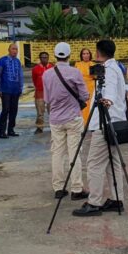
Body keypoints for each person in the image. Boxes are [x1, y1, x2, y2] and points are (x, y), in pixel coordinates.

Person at [72, 40, 128, 216]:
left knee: (94, 164)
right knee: (114, 162)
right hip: (115, 121)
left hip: (105, 123)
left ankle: (94, 202)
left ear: (98, 53)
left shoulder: (109, 70)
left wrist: (107, 100)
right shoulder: (115, 67)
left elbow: (109, 92)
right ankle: (117, 199)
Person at [42, 42, 89, 200]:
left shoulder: (47, 74)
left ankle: (59, 188)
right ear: (69, 55)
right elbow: (84, 96)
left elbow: (47, 99)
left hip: (55, 119)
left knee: (57, 153)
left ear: (55, 55)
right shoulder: (75, 72)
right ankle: (76, 188)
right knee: (74, 153)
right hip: (73, 117)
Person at [0, 43, 23, 138]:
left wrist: (21, 87)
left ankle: (11, 130)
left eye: (16, 49)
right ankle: (2, 132)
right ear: (9, 49)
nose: (15, 51)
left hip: (16, 90)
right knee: (5, 110)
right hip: (5, 89)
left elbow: (20, 75)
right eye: (13, 49)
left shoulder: (18, 62)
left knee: (14, 110)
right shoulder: (2, 60)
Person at [31, 51, 53, 134]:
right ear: (40, 58)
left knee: (52, 111)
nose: (44, 59)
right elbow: (34, 80)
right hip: (40, 92)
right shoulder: (35, 69)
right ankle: (39, 128)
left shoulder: (52, 67)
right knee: (40, 112)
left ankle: (54, 127)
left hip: (51, 93)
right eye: (43, 57)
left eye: (46, 57)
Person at [76, 48, 95, 128]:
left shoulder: (93, 64)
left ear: (90, 55)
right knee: (83, 105)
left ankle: (92, 123)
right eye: (84, 54)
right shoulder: (78, 64)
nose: (86, 55)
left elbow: (96, 76)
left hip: (91, 86)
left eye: (87, 53)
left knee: (91, 105)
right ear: (81, 55)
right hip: (81, 86)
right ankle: (83, 123)